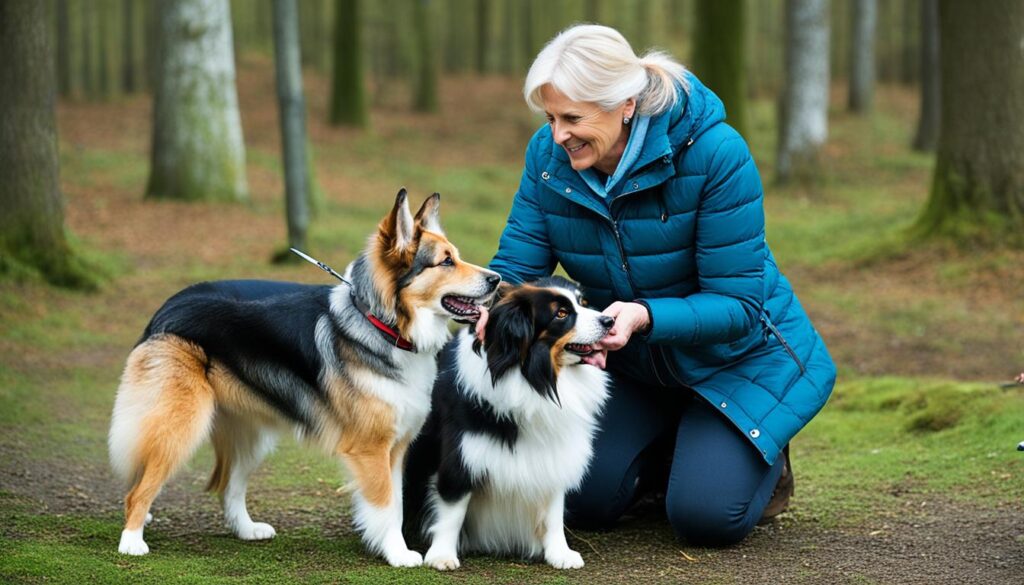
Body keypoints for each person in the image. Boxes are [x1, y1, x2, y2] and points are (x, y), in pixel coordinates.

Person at [481, 24, 837, 547]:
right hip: (635, 365)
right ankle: (670, 449)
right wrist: (488, 308)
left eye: (573, 118)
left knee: (706, 518)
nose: (558, 135)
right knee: (577, 498)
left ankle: (756, 454)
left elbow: (738, 305)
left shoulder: (716, 153)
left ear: (625, 104)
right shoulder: (547, 157)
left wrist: (645, 316)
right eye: (551, 118)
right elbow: (517, 264)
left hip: (736, 362)